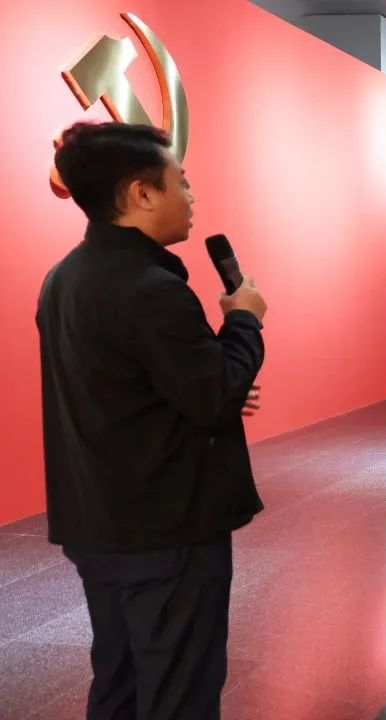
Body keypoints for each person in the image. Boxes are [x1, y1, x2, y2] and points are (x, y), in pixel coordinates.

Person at [37, 122, 268, 719]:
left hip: (98, 522)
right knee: (179, 692)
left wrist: (206, 385)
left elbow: (121, 389)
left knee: (119, 684)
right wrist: (243, 319)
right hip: (166, 530)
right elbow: (215, 395)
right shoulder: (151, 287)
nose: (191, 197)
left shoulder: (62, 278)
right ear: (142, 193)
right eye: (181, 183)